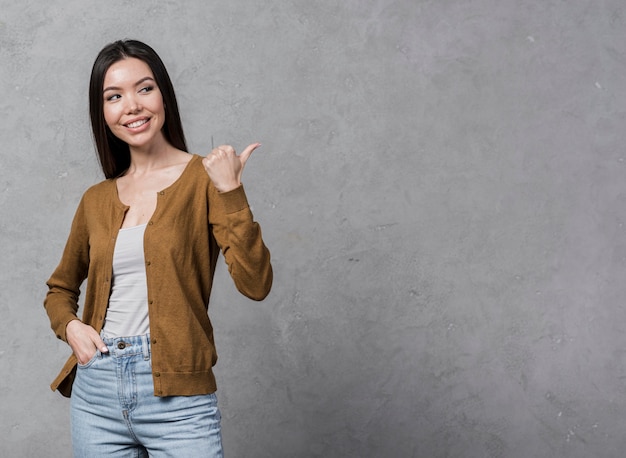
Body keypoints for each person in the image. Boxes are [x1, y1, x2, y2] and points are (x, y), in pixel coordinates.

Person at [44, 39, 272, 457]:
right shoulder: (96, 199)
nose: (131, 105)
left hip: (178, 396)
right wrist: (72, 328)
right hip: (97, 393)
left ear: (163, 94)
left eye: (144, 88)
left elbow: (255, 284)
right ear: (103, 114)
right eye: (114, 96)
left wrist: (231, 191)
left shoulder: (205, 179)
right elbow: (59, 289)